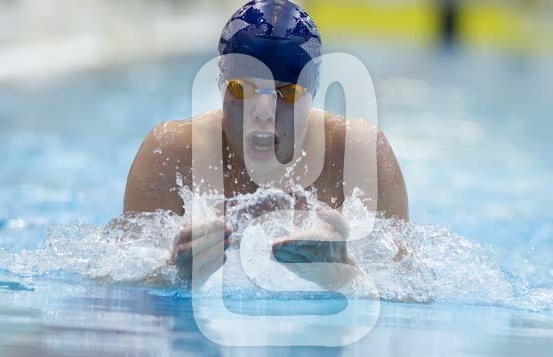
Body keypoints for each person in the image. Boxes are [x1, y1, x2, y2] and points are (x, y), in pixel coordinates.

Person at [122, 0, 408, 289]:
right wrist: (174, 274)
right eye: (241, 88)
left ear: (312, 93)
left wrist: (342, 275)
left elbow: (409, 286)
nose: (262, 111)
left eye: (289, 93)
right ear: (221, 83)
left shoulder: (358, 153)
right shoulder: (172, 154)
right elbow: (119, 283)